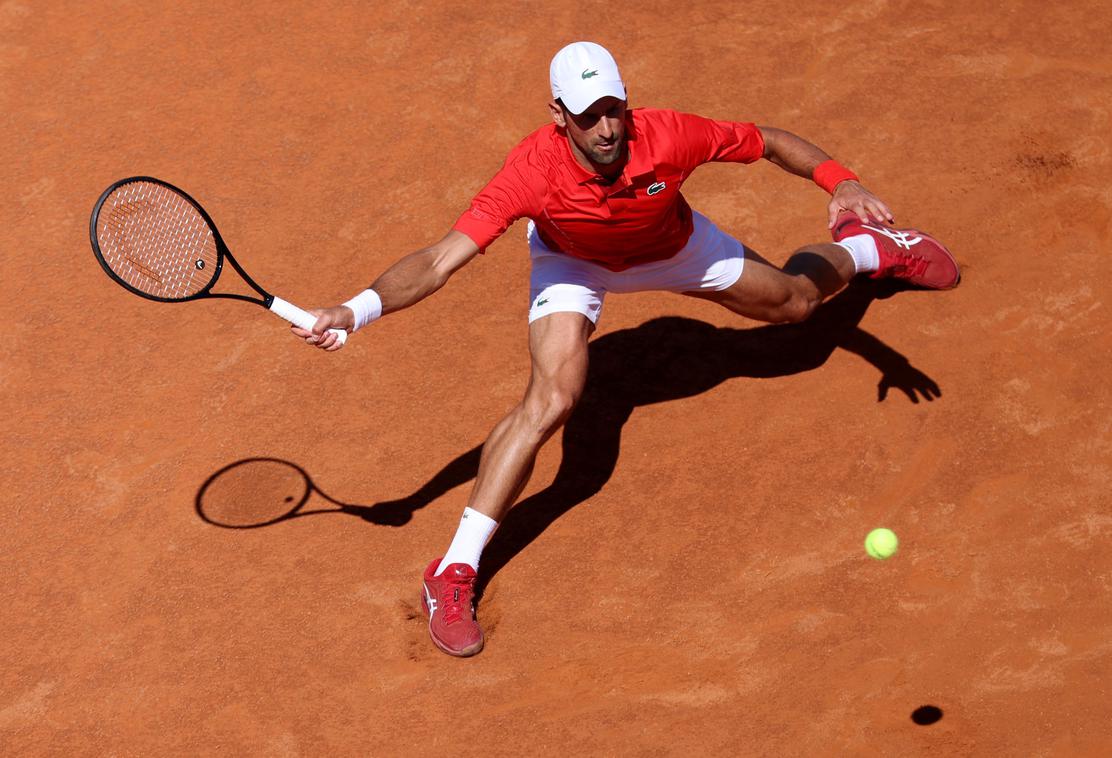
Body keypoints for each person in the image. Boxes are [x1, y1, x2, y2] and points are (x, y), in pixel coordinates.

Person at [292, 41, 959, 657]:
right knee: (552, 400)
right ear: (560, 116)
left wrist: (841, 181)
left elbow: (767, 141)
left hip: (674, 246)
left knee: (796, 307)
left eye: (614, 109)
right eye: (589, 116)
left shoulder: (667, 134)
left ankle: (868, 246)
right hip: (573, 264)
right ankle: (455, 567)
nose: (607, 128)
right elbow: (439, 261)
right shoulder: (532, 171)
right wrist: (355, 310)